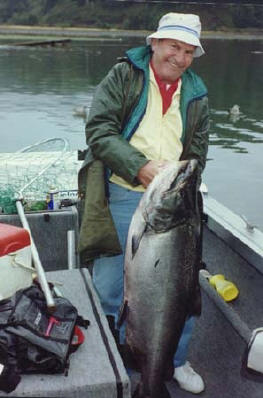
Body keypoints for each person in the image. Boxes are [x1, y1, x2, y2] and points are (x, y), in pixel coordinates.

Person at [78, 12, 209, 394]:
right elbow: (99, 131)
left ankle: (174, 361)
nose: (180, 57)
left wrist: (182, 176)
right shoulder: (123, 76)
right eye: (173, 46)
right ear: (155, 43)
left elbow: (197, 151)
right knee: (110, 287)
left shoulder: (197, 93)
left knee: (182, 289)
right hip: (121, 191)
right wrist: (140, 168)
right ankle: (116, 359)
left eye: (188, 51)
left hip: (176, 202)